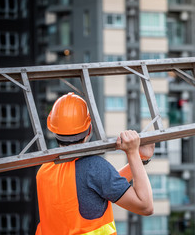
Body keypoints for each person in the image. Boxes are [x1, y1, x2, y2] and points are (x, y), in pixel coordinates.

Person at [36, 92, 154, 235]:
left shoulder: (44, 170)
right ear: (90, 129)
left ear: (53, 130)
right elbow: (145, 206)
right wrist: (132, 153)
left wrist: (140, 159)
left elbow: (99, 186)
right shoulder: (93, 167)